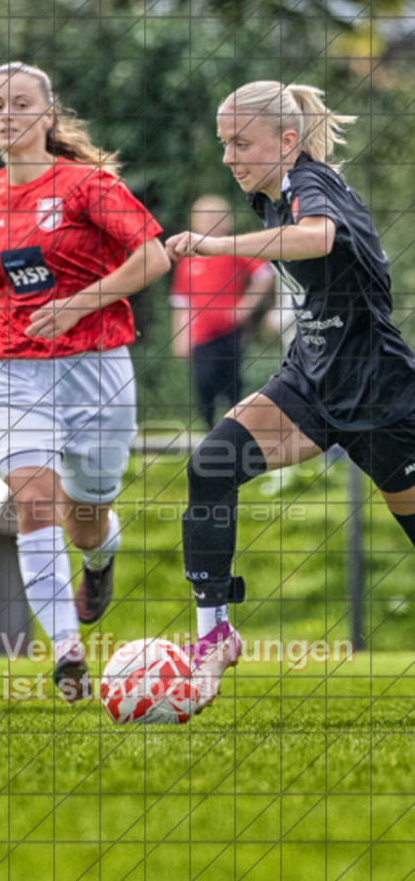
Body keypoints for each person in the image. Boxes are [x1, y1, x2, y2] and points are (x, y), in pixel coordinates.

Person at [166, 80, 415, 714]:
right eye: (224, 143)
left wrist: (218, 246)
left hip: (380, 393)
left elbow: (319, 238)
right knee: (210, 466)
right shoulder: (270, 196)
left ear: (285, 140)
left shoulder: (312, 185)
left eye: (240, 142)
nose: (229, 157)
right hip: (308, 381)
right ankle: (214, 635)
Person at [0, 61, 170, 702]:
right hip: (16, 365)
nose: (6, 115)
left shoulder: (87, 184)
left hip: (98, 367)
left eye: (19, 104)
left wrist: (82, 302)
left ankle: (99, 556)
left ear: (47, 114)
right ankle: (66, 652)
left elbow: (155, 254)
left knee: (84, 514)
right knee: (33, 500)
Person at [170, 195, 274, 428]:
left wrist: (245, 307)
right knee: (203, 383)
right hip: (200, 335)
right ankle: (208, 432)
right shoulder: (188, 258)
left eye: (217, 218)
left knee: (232, 383)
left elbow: (265, 274)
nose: (211, 222)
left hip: (228, 332)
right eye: (205, 218)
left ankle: (235, 430)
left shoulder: (232, 249)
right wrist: (180, 336)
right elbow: (181, 302)